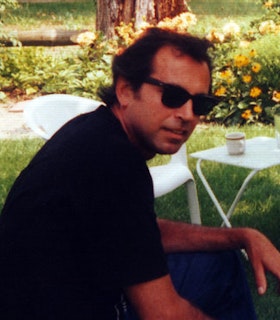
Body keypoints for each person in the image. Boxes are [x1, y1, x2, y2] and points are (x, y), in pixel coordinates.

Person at [0, 28, 279, 320]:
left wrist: (242, 235)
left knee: (219, 259)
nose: (187, 114)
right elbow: (163, 314)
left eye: (200, 104)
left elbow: (138, 232)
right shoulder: (110, 160)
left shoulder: (99, 133)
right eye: (172, 95)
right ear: (125, 90)